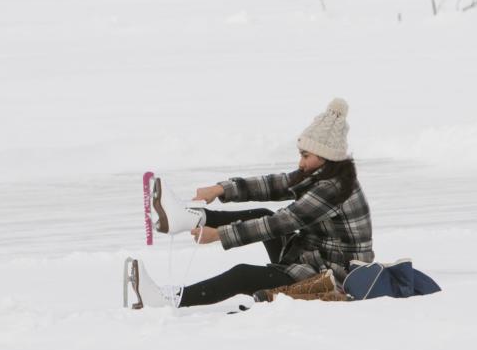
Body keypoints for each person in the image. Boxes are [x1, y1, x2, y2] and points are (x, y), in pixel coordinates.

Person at [129, 98, 374, 308]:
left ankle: (167, 300)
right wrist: (222, 189)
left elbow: (281, 223)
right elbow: (276, 184)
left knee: (242, 275)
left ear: (326, 157)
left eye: (305, 156)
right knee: (261, 211)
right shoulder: (325, 174)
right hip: (313, 256)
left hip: (332, 276)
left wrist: (220, 235)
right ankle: (190, 218)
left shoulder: (333, 189)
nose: (300, 162)